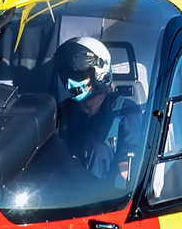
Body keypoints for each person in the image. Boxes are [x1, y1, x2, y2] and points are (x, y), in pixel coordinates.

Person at [54, 35, 139, 182]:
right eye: (66, 75)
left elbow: (131, 162)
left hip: (108, 197)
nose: (70, 82)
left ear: (99, 74)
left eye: (78, 75)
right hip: (64, 192)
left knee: (99, 150)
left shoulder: (126, 112)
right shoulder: (62, 112)